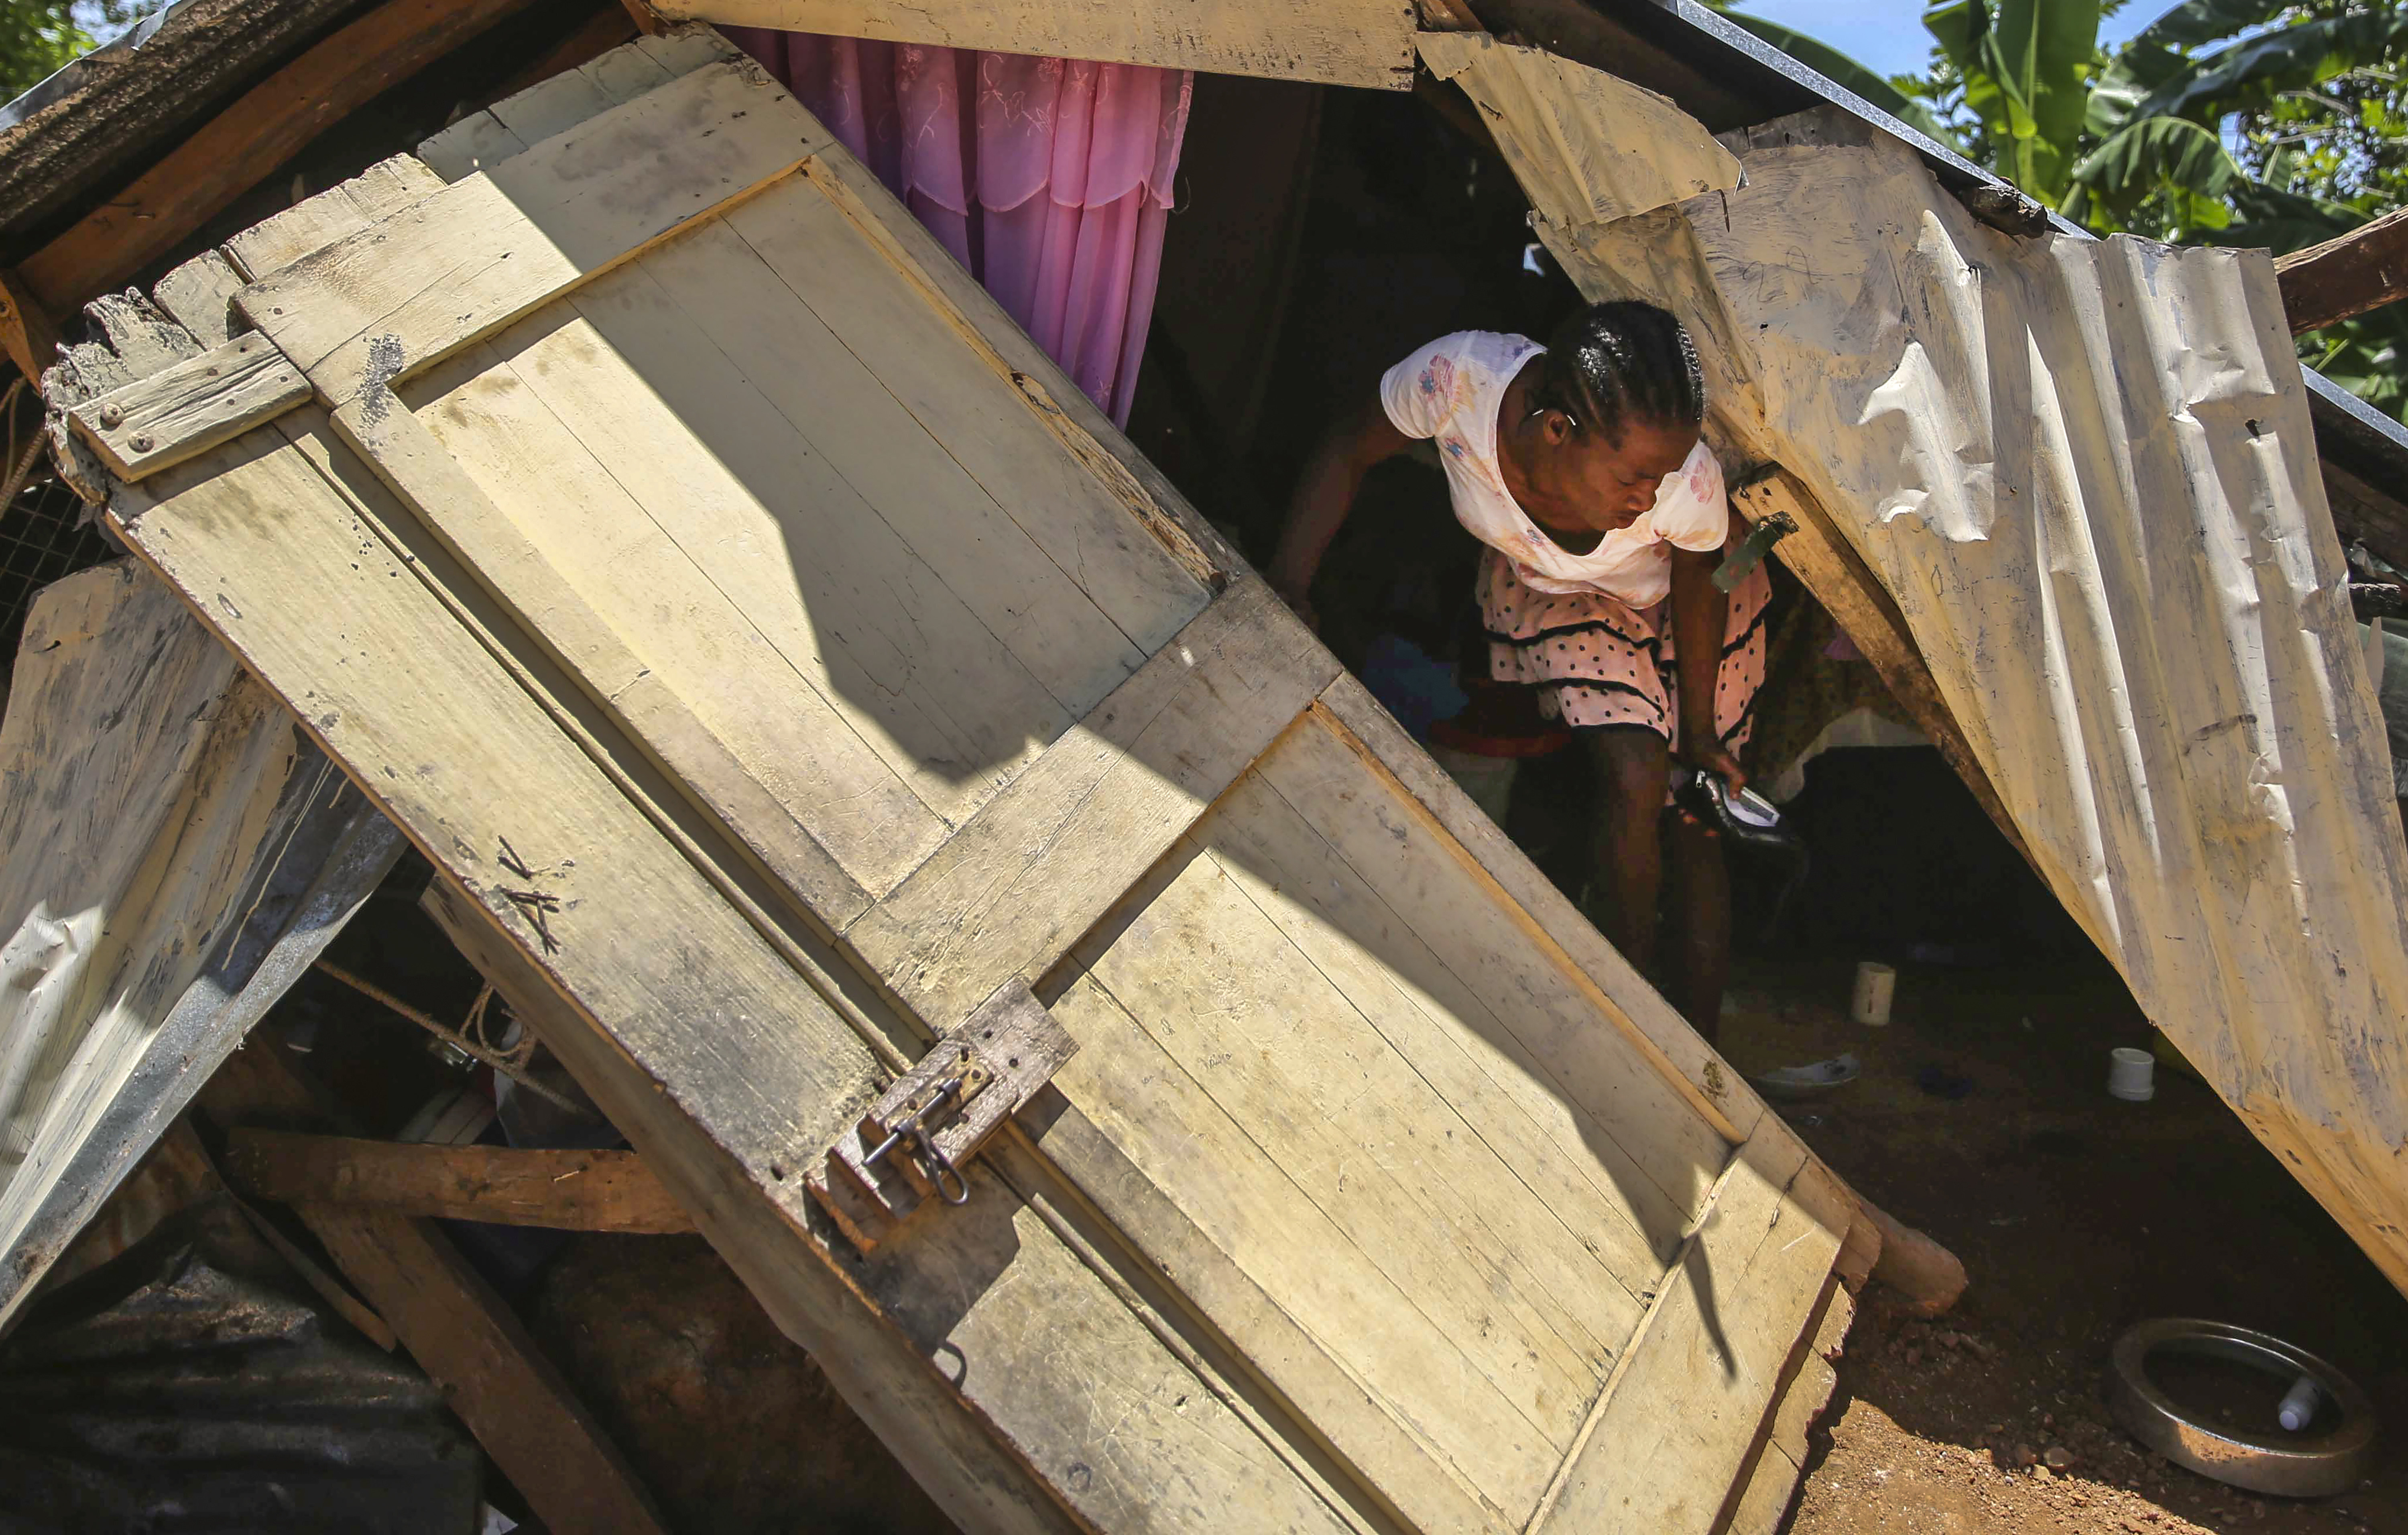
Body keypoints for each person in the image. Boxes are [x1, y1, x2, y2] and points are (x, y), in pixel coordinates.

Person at [1269, 302, 1771, 1040]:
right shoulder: (1458, 385)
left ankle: (1698, 1054)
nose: (1651, 494)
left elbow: (1701, 573)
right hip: (1559, 592)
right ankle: (1627, 1030)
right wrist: (1288, 583)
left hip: (1693, 605)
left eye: (1663, 475)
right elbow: (1349, 444)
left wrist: (1698, 730)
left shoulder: (1684, 484)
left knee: (1696, 814)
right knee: (1634, 777)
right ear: (1557, 430)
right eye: (1635, 477)